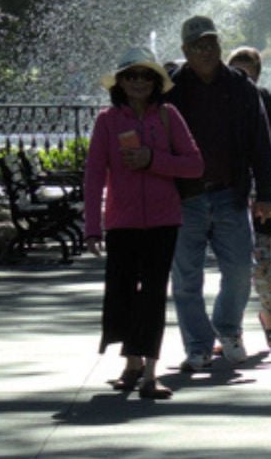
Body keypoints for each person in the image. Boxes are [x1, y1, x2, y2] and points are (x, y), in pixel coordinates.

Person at [83, 47, 204, 400]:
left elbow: (195, 165)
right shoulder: (108, 120)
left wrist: (153, 159)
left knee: (152, 295)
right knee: (122, 294)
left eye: (146, 76)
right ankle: (131, 362)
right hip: (122, 221)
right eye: (131, 76)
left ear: (155, 83)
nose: (138, 82)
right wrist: (92, 226)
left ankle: (150, 372)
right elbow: (93, 177)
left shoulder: (168, 116)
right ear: (120, 82)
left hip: (164, 221)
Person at [166, 16, 271, 372]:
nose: (207, 51)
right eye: (198, 45)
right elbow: (126, 98)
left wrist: (265, 192)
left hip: (230, 193)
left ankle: (228, 330)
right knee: (186, 277)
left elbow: (263, 142)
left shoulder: (240, 87)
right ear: (185, 50)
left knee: (239, 271)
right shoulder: (171, 87)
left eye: (212, 43)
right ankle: (197, 345)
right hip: (186, 196)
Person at [226, 46, 271, 352]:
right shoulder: (220, 100)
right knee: (232, 265)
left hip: (261, 193)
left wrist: (258, 135)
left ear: (257, 73)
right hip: (226, 191)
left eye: (247, 72)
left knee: (262, 258)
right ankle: (231, 327)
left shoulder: (268, 100)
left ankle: (268, 313)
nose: (241, 78)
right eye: (235, 71)